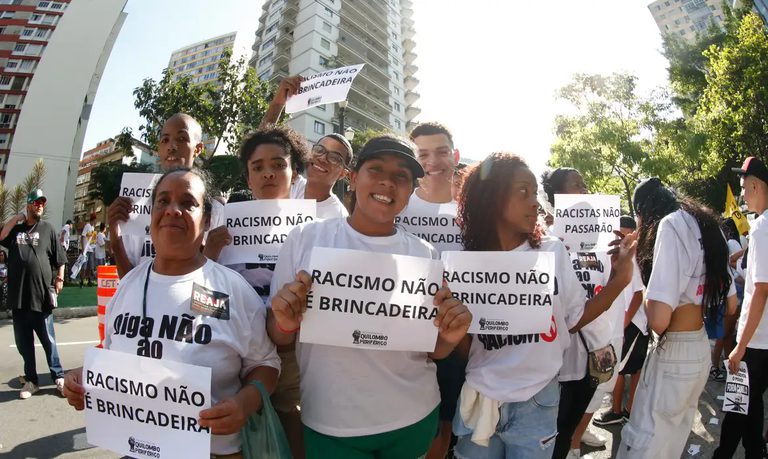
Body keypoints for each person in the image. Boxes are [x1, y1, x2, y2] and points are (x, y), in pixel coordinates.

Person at [267, 135, 472, 459]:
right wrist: (285, 321)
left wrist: (449, 336)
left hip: (412, 418)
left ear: (411, 191)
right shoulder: (306, 238)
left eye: (401, 176)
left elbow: (432, 350)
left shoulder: (425, 254)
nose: (387, 182)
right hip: (329, 422)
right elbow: (278, 336)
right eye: (375, 169)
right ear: (352, 178)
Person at [62, 168, 280, 457]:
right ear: (152, 214)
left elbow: (266, 364)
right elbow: (114, 355)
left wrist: (245, 403)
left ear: (207, 220)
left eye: (188, 203)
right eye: (163, 201)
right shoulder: (127, 285)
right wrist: (85, 377)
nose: (172, 210)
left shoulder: (233, 290)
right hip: (137, 448)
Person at [452, 153, 635, 459]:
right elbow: (465, 346)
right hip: (479, 399)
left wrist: (620, 280)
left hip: (538, 400)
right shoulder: (464, 261)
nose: (535, 203)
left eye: (535, 192)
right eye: (523, 192)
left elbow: (574, 319)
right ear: (491, 198)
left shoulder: (552, 250)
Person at [203, 123, 311, 458]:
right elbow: (202, 299)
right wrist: (208, 256)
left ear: (294, 174)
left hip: (290, 351)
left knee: (289, 419)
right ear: (248, 177)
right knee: (234, 429)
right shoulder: (222, 225)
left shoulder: (313, 231)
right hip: (237, 347)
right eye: (257, 167)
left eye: (279, 164)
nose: (268, 173)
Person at [617, 177, 737, 458]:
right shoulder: (708, 224)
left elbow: (659, 320)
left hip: (674, 351)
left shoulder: (670, 226)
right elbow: (732, 304)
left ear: (644, 212)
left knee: (645, 444)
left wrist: (632, 271)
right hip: (699, 347)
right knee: (671, 443)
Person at [540, 167, 631, 459]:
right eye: (577, 184)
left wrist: (618, 267)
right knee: (548, 436)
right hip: (556, 363)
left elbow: (606, 294)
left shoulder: (601, 244)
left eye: (584, 184)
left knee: (567, 431)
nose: (585, 190)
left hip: (590, 361)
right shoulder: (545, 243)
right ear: (557, 196)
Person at [402, 122, 464, 459]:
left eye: (441, 152)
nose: (433, 161)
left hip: (456, 335)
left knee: (445, 421)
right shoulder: (399, 205)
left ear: (455, 155)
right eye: (422, 155)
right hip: (403, 330)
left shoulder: (472, 210)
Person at [714, 157, 768, 459]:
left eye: (744, 188)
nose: (742, 194)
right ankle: (755, 451)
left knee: (737, 406)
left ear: (756, 186)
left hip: (756, 341)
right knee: (753, 403)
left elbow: (761, 290)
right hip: (761, 339)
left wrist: (740, 346)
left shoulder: (762, 228)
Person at [108, 113, 205, 278]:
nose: (171, 147)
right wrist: (115, 238)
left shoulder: (212, 208)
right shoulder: (134, 205)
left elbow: (212, 275)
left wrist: (207, 249)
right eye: (165, 140)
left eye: (181, 139)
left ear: (198, 149)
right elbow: (127, 279)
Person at [0, 189, 67, 399]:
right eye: (36, 202)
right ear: (29, 205)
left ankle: (58, 376)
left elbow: (60, 258)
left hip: (41, 296)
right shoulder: (16, 230)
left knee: (49, 340)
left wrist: (60, 278)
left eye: (42, 203)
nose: (40, 206)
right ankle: (31, 381)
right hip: (19, 298)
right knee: (24, 343)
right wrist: (16, 218)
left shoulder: (48, 229)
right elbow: (1, 236)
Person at [592, 216, 647, 427]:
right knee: (628, 368)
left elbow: (638, 294)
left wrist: (623, 324)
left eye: (623, 234)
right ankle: (627, 410)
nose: (619, 238)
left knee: (622, 369)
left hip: (633, 322)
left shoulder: (631, 257)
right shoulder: (618, 255)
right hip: (628, 321)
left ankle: (620, 410)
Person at [80, 213, 98, 287]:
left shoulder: (93, 227)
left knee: (90, 266)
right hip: (86, 250)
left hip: (91, 249)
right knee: (84, 266)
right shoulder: (87, 226)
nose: (96, 221)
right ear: (93, 219)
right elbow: (82, 236)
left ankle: (89, 280)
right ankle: (81, 281)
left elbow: (92, 240)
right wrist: (83, 248)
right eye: (95, 220)